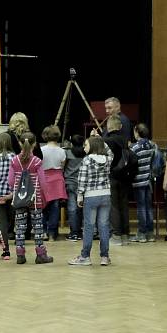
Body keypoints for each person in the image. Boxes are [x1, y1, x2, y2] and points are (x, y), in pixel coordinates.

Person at [7, 132, 52, 264]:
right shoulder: (37, 161)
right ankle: (41, 255)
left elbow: (10, 181)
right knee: (37, 226)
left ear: (20, 143)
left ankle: (20, 255)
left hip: (19, 198)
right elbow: (43, 182)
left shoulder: (14, 160)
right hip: (35, 198)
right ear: (35, 144)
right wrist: (45, 196)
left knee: (20, 226)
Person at [68, 136, 113, 266]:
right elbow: (110, 152)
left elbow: (82, 180)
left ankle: (85, 256)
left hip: (90, 196)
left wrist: (80, 196)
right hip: (105, 195)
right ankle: (105, 257)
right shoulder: (108, 159)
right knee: (103, 226)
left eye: (86, 145)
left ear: (92, 147)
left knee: (89, 226)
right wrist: (100, 139)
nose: (84, 147)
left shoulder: (86, 160)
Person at [95, 114, 129, 245]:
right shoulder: (125, 140)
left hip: (112, 176)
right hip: (125, 176)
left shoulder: (107, 140)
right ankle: (125, 235)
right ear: (120, 126)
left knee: (113, 206)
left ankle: (116, 235)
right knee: (123, 206)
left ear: (108, 127)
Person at [40, 125, 67, 242]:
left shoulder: (41, 150)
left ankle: (44, 232)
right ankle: (52, 234)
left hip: (44, 179)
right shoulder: (62, 151)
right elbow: (62, 166)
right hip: (57, 179)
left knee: (42, 207)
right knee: (55, 208)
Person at [131, 123, 156, 242]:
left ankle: (141, 233)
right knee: (148, 207)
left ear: (137, 132)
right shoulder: (151, 145)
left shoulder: (135, 148)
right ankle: (150, 233)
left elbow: (131, 164)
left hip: (138, 181)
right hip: (148, 180)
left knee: (141, 208)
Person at [63, 134, 85, 241]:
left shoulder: (68, 153)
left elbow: (63, 167)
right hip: (82, 183)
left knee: (72, 208)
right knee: (81, 207)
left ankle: (74, 232)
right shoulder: (86, 153)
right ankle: (81, 231)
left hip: (70, 182)